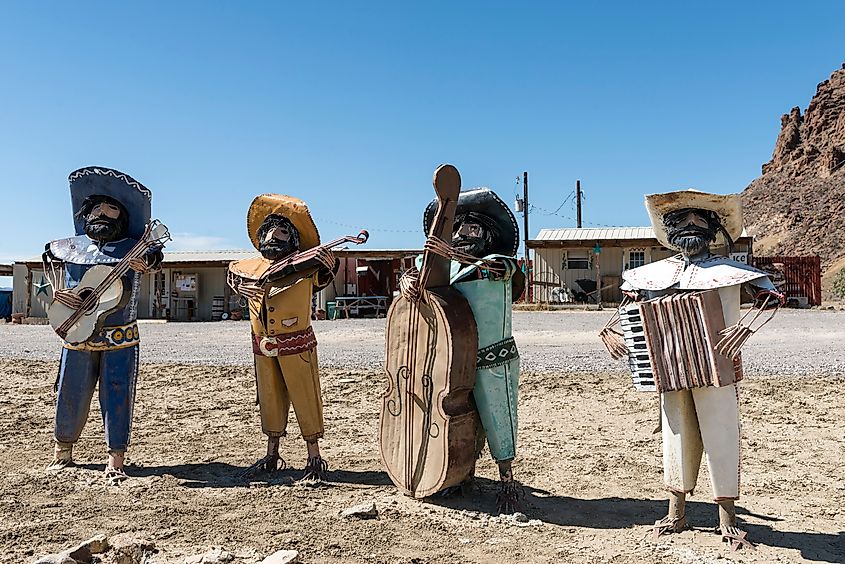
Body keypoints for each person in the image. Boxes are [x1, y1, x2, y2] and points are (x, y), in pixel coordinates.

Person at [602, 189, 783, 550]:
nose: (689, 226)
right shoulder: (650, 275)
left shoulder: (732, 271)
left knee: (721, 434)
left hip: (718, 369)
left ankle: (727, 521)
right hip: (669, 370)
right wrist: (610, 331)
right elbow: (626, 305)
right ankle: (676, 512)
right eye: (679, 221)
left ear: (713, 229)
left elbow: (770, 297)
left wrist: (744, 326)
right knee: (675, 435)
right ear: (668, 230)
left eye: (699, 220)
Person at [44, 166, 163, 485]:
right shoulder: (68, 247)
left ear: (122, 218)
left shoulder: (135, 247)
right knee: (71, 390)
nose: (102, 213)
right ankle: (62, 451)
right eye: (97, 208)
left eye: (111, 210)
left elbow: (153, 260)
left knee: (117, 393)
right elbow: (51, 265)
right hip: (76, 333)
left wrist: (145, 262)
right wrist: (58, 293)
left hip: (119, 335)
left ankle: (116, 458)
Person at [417, 187, 525, 513]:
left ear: (488, 234)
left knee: (498, 419)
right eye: (458, 229)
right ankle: (464, 474)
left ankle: (506, 478)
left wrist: (450, 255)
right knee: (462, 419)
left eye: (472, 229)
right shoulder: (445, 267)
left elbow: (503, 270)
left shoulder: (495, 263)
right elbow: (421, 280)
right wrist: (413, 280)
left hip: (494, 356)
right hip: (455, 358)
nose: (464, 235)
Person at [228, 194, 337, 482]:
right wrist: (241, 287)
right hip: (263, 349)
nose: (273, 236)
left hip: (297, 345)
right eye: (268, 232)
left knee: (305, 397)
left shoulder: (307, 267)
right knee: (269, 399)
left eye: (282, 232)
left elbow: (325, 272)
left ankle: (314, 456)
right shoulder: (247, 268)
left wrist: (323, 262)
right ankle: (272, 451)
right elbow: (234, 276)